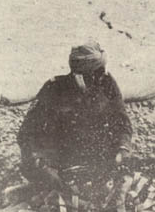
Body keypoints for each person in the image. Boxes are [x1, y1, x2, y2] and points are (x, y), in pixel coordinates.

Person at [17, 40, 132, 192]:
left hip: (95, 163)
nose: (99, 77)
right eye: (94, 74)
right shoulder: (54, 88)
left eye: (101, 71)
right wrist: (42, 165)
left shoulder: (106, 83)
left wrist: (122, 147)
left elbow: (122, 121)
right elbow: (26, 134)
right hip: (59, 166)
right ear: (78, 75)